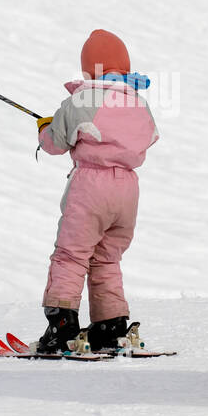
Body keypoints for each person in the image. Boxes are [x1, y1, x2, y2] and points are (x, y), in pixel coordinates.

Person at [35, 29, 159, 353]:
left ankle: (62, 326)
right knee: (107, 259)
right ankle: (111, 325)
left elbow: (55, 143)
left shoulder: (84, 98)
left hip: (92, 187)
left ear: (89, 68)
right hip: (128, 192)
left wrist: (45, 128)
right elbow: (149, 137)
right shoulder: (138, 101)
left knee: (71, 255)